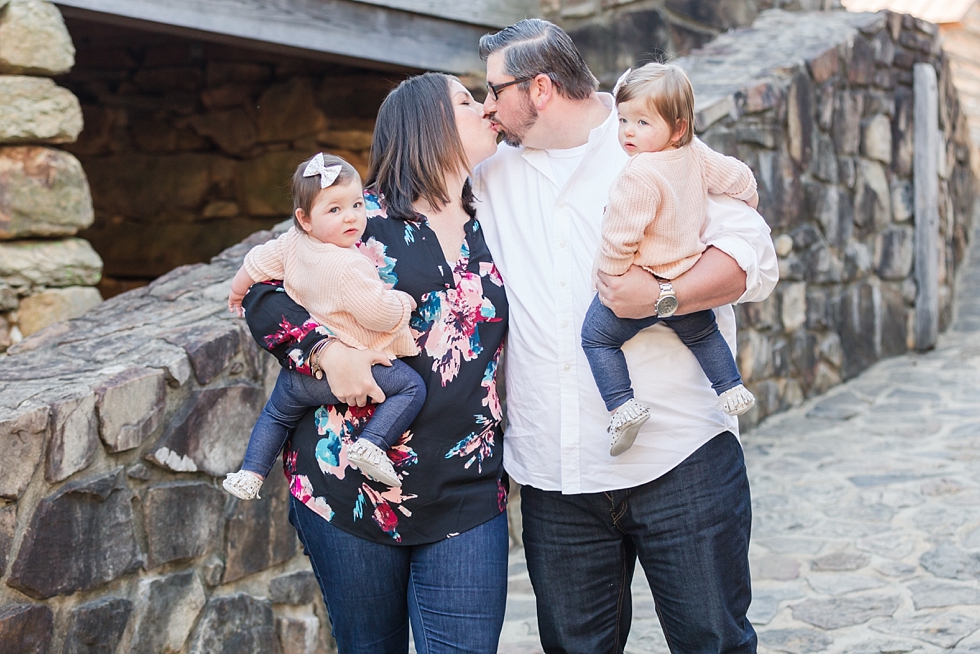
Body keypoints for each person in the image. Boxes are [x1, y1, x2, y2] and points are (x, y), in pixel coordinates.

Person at [473, 19, 777, 654]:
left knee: (713, 642)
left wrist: (664, 296)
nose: (486, 105)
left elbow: (751, 255)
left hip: (680, 456)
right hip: (555, 474)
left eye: (494, 89)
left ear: (542, 88)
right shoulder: (487, 176)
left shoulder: (652, 141)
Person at [241, 73, 508, 653]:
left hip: (467, 486)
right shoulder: (359, 218)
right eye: (466, 101)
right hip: (349, 489)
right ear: (426, 124)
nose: (487, 108)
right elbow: (264, 293)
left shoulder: (499, 219)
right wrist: (324, 351)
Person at [581, 63, 759, 458]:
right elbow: (738, 176)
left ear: (677, 128)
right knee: (702, 332)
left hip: (640, 282)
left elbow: (619, 236)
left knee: (595, 338)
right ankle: (730, 387)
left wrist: (608, 278)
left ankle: (623, 406)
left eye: (643, 122)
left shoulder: (639, 174)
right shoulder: (695, 155)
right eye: (624, 119)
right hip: (684, 273)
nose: (628, 131)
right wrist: (750, 196)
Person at [223, 152, 426, 497]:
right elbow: (377, 313)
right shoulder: (350, 266)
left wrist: (237, 292)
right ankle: (372, 444)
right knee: (410, 388)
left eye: (357, 205)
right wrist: (403, 304)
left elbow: (256, 264)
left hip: (300, 371)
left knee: (275, 415)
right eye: (334, 210)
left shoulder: (291, 244)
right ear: (304, 218)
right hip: (347, 369)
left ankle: (250, 474)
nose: (351, 218)